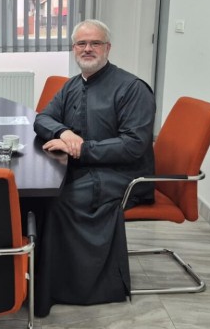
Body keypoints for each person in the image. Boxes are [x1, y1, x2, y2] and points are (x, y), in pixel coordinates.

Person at [31, 19, 155, 317]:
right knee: (37, 197)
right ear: (74, 48)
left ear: (107, 48)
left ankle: (62, 288)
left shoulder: (132, 88)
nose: (87, 49)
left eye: (95, 43)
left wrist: (82, 148)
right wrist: (64, 133)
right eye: (81, 43)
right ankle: (31, 277)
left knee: (58, 201)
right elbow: (42, 118)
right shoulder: (73, 84)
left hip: (123, 175)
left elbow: (133, 145)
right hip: (85, 166)